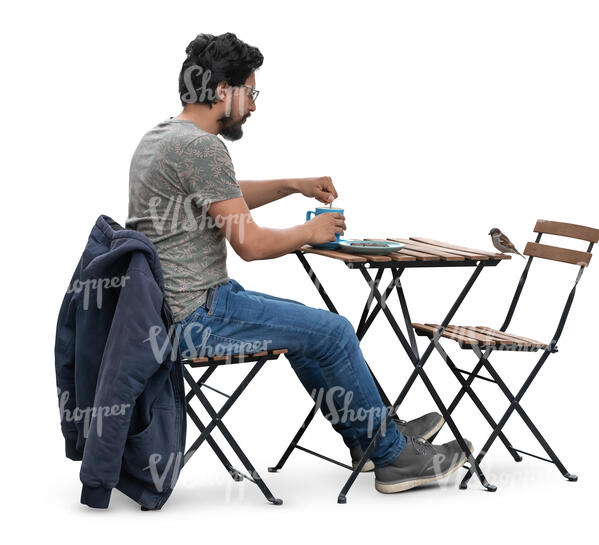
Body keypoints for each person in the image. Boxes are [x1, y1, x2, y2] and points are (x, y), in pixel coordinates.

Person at [126, 32, 472, 494]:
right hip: (196, 317)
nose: (253, 105)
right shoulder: (202, 148)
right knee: (332, 331)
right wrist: (310, 232)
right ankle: (392, 458)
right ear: (224, 90)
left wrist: (292, 184)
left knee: (314, 332)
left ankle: (370, 438)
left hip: (172, 310)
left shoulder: (164, 138)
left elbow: (220, 192)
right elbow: (249, 244)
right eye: (250, 91)